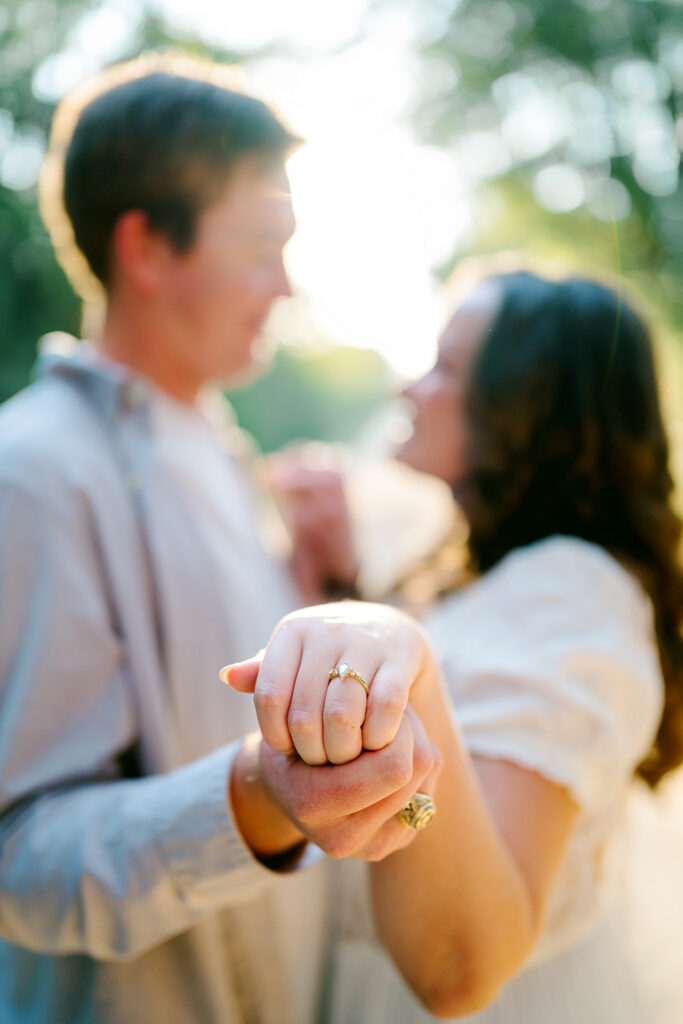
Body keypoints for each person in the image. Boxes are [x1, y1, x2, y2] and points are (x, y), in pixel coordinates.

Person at [0, 53, 438, 1024]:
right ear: (147, 249)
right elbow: (19, 862)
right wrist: (256, 792)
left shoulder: (216, 446)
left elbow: (219, 689)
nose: (282, 285)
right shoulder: (32, 471)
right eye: (259, 246)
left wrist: (324, 580)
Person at [225, 268, 683, 1022]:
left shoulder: (568, 592)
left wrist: (404, 667)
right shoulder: (499, 571)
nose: (408, 390)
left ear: (529, 408)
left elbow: (458, 964)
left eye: (444, 367)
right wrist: (341, 581)